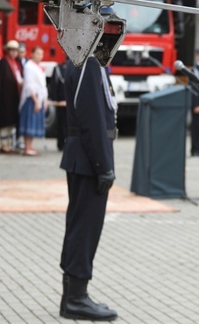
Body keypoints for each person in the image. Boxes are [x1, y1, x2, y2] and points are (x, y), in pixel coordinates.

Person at [59, 53, 118, 321]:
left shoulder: (87, 62)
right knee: (84, 230)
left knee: (80, 227)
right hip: (88, 159)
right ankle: (76, 299)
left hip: (84, 158)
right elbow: (92, 118)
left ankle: (72, 296)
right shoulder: (88, 63)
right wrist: (103, 164)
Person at [19, 46, 48, 156]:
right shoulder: (29, 66)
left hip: (39, 97)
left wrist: (44, 101)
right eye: (37, 54)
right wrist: (36, 101)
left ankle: (30, 146)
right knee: (29, 122)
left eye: (41, 54)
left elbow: (43, 85)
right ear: (32, 54)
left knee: (34, 122)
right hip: (31, 98)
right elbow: (29, 84)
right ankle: (26, 147)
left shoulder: (39, 67)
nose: (40, 56)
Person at [0, 40, 23, 154]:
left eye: (15, 51)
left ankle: (10, 145)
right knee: (5, 122)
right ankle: (3, 145)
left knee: (12, 122)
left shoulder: (17, 63)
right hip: (4, 98)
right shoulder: (3, 63)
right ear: (8, 51)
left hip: (15, 98)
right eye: (11, 50)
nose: (13, 53)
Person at [49, 59, 70, 151]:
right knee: (61, 123)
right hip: (61, 101)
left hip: (71, 101)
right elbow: (53, 85)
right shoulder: (58, 68)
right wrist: (56, 100)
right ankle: (61, 143)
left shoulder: (76, 68)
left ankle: (69, 143)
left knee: (70, 124)